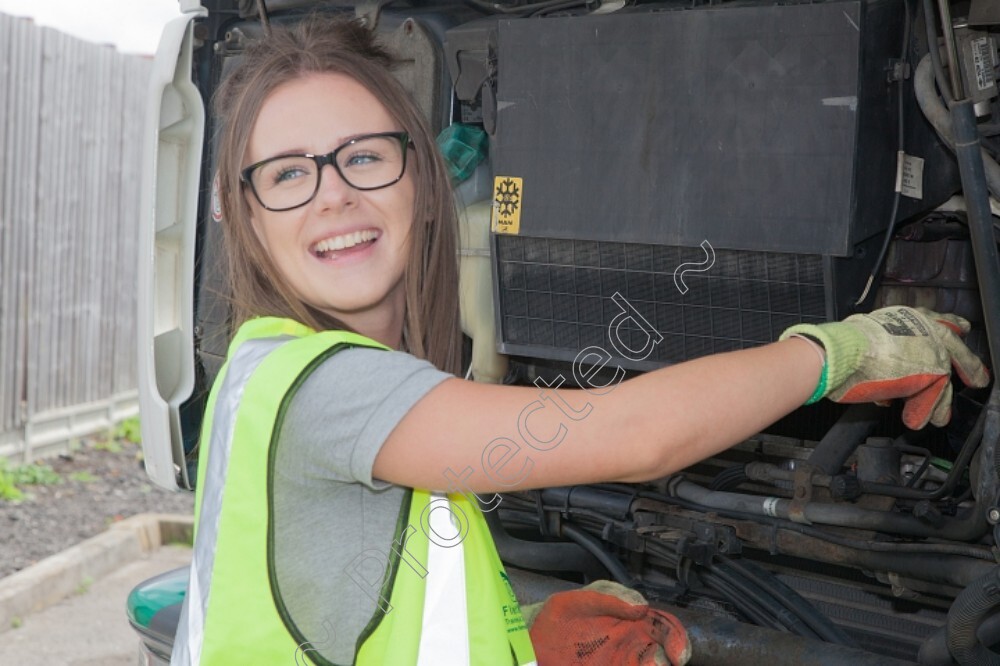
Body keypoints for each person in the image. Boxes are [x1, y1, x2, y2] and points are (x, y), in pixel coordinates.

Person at [168, 14, 990, 666]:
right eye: (287, 173)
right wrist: (838, 353)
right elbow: (633, 437)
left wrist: (519, 636)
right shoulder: (321, 389)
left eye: (362, 157)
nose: (333, 195)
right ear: (245, 222)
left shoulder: (269, 376)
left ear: (423, 183)